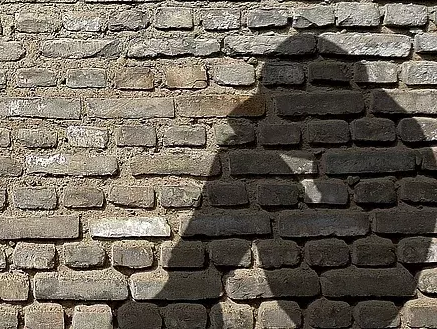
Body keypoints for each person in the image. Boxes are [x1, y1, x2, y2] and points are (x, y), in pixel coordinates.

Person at [119, 31, 437, 329]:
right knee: (252, 161)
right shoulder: (393, 123)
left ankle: (180, 281)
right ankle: (183, 280)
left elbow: (352, 210)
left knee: (244, 159)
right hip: (369, 265)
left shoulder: (371, 124)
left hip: (356, 263)